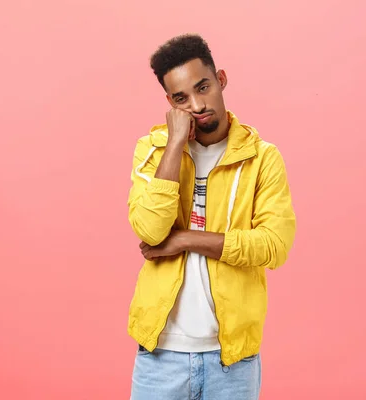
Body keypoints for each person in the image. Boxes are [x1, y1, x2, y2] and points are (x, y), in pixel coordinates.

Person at [126, 33, 296, 400]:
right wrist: (174, 144)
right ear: (170, 103)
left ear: (220, 79)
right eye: (181, 98)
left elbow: (275, 245)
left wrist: (186, 239)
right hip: (161, 356)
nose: (198, 104)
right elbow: (151, 231)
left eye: (203, 87)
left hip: (232, 360)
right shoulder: (152, 151)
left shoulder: (262, 158)